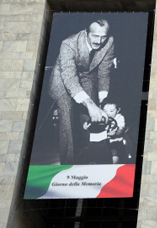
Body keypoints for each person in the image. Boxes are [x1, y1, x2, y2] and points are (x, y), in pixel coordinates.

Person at [49, 19, 114, 164]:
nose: (99, 41)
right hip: (63, 79)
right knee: (67, 120)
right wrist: (90, 105)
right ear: (86, 33)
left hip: (87, 77)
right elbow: (70, 78)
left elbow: (104, 72)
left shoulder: (109, 43)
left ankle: (90, 156)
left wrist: (100, 104)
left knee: (90, 117)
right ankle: (68, 163)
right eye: (95, 36)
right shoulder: (68, 44)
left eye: (103, 36)